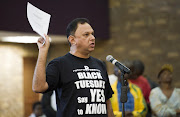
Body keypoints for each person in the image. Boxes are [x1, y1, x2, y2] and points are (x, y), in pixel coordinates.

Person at [32, 18, 114, 117]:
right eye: (86, 35)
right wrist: (42, 51)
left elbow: (107, 100)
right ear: (72, 40)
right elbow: (38, 87)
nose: (92, 37)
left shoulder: (99, 64)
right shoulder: (59, 64)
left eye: (92, 34)